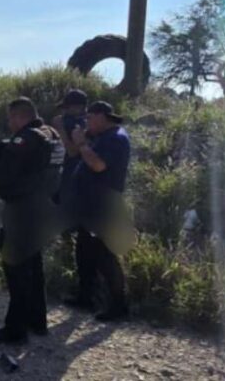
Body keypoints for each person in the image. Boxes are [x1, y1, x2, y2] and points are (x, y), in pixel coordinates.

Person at [0, 97, 64, 344]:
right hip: (43, 208)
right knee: (34, 267)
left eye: (11, 118)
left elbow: (4, 176)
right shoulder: (52, 135)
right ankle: (38, 321)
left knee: (17, 270)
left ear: (20, 116)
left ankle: (15, 330)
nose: (10, 123)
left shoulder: (27, 139)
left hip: (23, 210)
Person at [63, 101, 132, 322]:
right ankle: (86, 296)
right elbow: (76, 151)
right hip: (90, 206)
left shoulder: (116, 138)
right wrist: (79, 138)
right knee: (84, 252)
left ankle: (119, 305)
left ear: (102, 116)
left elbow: (99, 165)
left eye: (89, 118)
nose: (87, 123)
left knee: (105, 255)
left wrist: (83, 143)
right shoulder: (103, 136)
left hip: (104, 207)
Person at [51, 89, 88, 203]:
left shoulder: (84, 125)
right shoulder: (68, 121)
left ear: (80, 108)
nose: (64, 112)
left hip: (74, 178)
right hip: (62, 176)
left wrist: (61, 129)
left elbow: (73, 152)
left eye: (67, 108)